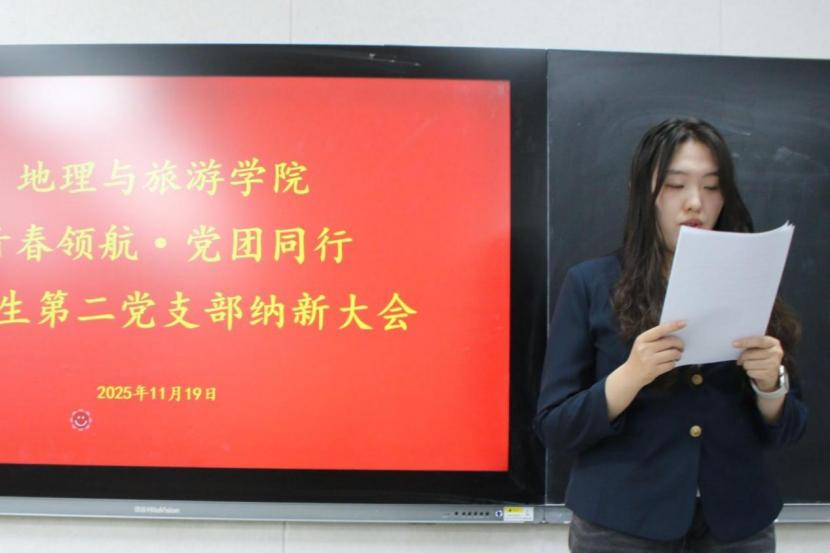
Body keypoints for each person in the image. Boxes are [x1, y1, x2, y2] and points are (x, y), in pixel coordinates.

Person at [534, 117, 807, 552]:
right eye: (676, 185)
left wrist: (770, 386)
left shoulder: (752, 279)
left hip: (737, 524)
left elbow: (791, 429)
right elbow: (556, 427)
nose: (695, 203)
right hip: (621, 525)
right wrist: (630, 377)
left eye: (712, 186)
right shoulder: (591, 284)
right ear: (642, 193)